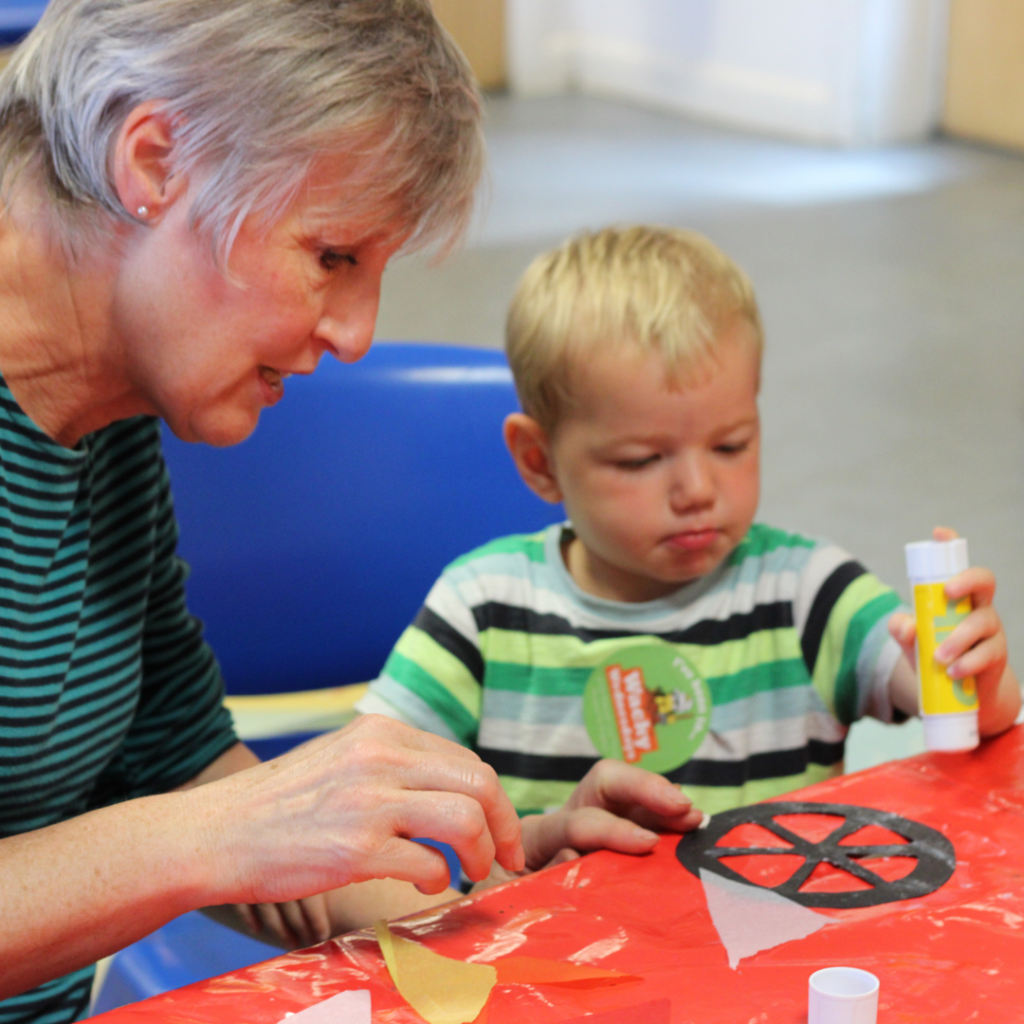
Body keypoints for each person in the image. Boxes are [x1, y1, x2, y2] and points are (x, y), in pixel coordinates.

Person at [0, 8, 704, 1023]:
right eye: (331, 255)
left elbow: (177, 762)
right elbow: (214, 825)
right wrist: (216, 835)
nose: (357, 333)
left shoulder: (106, 397)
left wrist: (485, 894)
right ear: (153, 162)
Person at [358, 224, 1022, 817]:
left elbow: (962, 722)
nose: (699, 490)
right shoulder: (483, 608)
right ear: (540, 462)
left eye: (731, 446)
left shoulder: (809, 593)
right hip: (556, 953)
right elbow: (364, 784)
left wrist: (969, 680)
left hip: (778, 942)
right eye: (643, 460)